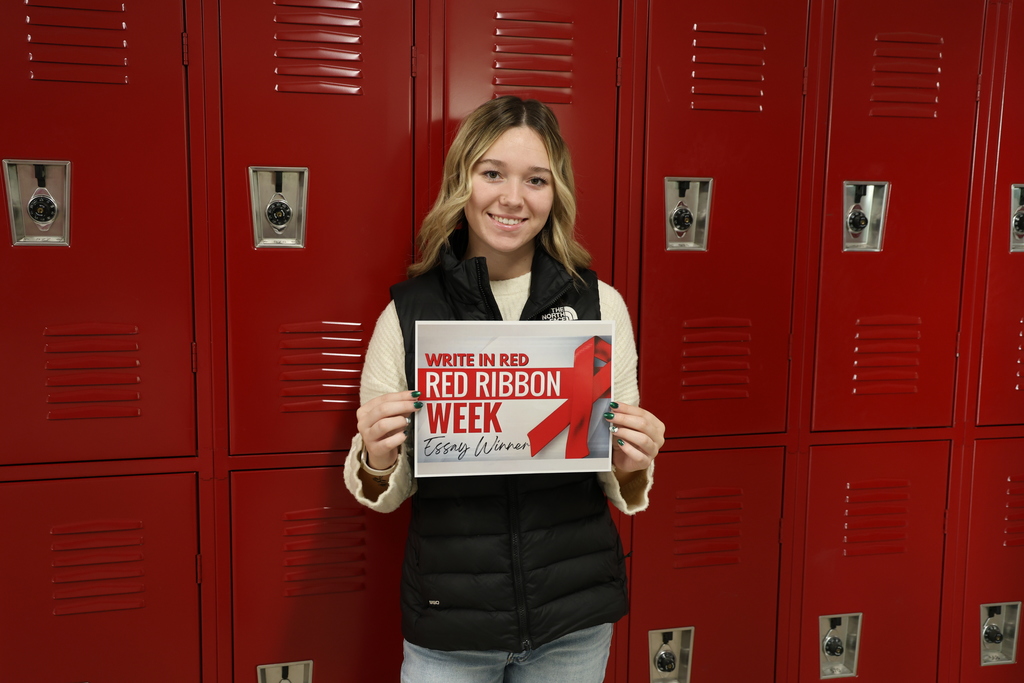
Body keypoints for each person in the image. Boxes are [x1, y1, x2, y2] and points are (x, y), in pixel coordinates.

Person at [344, 95, 665, 683]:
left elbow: (620, 484)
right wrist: (376, 456)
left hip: (574, 623)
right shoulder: (410, 315)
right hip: (450, 632)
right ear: (462, 182)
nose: (513, 198)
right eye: (492, 173)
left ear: (556, 193)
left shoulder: (600, 307)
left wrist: (632, 459)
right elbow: (384, 491)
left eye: (536, 180)